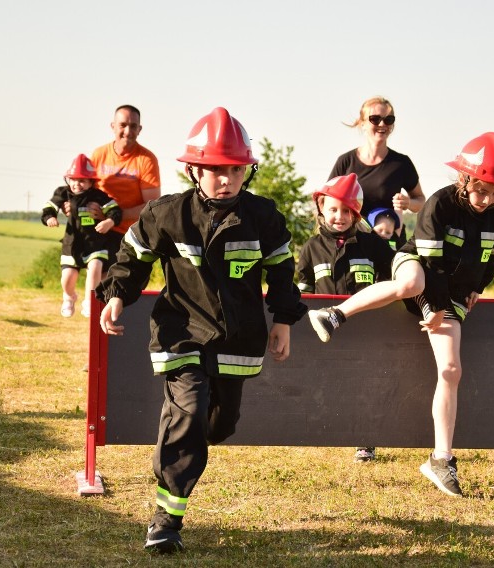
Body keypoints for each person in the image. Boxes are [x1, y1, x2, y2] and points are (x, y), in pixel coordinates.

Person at [96, 107, 307, 554]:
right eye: (214, 169)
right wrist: (116, 294)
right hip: (182, 332)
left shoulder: (263, 218)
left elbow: (283, 274)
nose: (225, 179)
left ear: (247, 171)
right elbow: (133, 260)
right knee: (188, 412)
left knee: (219, 424)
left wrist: (284, 320)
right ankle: (166, 520)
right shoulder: (166, 214)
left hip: (237, 340)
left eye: (234, 169)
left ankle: (185, 439)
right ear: (194, 169)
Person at [308, 132, 494, 496]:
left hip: (450, 294)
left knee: (451, 370)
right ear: (464, 179)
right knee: (409, 284)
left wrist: (477, 287)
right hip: (417, 265)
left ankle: (441, 459)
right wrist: (433, 307)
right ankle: (335, 313)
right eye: (480, 189)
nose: (486, 200)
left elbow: (491, 258)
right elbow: (431, 265)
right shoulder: (439, 204)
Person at [296, 174, 397, 464]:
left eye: (346, 211)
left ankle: (365, 441)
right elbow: (304, 293)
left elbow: (392, 278)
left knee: (365, 384)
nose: (339, 217)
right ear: (321, 209)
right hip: (325, 330)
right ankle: (325, 431)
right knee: (330, 382)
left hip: (366, 326)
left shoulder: (373, 245)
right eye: (333, 209)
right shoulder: (310, 249)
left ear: (356, 212)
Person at [329, 96, 425, 241]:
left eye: (388, 120)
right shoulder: (346, 161)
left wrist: (408, 203)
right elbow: (327, 201)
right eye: (375, 119)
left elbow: (420, 201)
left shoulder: (401, 163)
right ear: (362, 123)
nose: (382, 124)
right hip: (353, 241)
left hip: (389, 242)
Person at [41, 154, 121, 317]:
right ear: (68, 179)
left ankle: (90, 302)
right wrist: (50, 217)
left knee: (96, 267)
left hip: (95, 243)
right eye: (73, 180)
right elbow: (49, 207)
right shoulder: (63, 193)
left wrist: (109, 222)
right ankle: (69, 297)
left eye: (82, 181)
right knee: (68, 278)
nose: (77, 184)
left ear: (91, 182)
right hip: (72, 244)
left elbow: (115, 211)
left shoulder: (98, 196)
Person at [89, 104, 161, 266]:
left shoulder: (147, 159)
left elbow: (152, 208)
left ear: (140, 129)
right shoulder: (98, 154)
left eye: (133, 126)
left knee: (120, 285)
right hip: (98, 231)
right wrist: (71, 205)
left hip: (130, 236)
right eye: (123, 125)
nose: (128, 131)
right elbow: (85, 191)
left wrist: (115, 216)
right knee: (95, 279)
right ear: (113, 126)